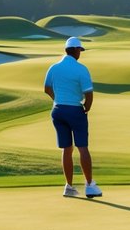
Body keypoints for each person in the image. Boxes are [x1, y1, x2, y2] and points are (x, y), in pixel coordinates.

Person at [43, 36, 103, 199]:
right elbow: (88, 94)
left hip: (57, 111)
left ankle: (69, 187)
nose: (80, 53)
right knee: (82, 147)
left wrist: (57, 100)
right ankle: (90, 186)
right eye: (80, 50)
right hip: (75, 111)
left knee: (66, 149)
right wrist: (86, 108)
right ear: (76, 50)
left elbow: (47, 88)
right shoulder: (81, 69)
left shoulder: (53, 68)